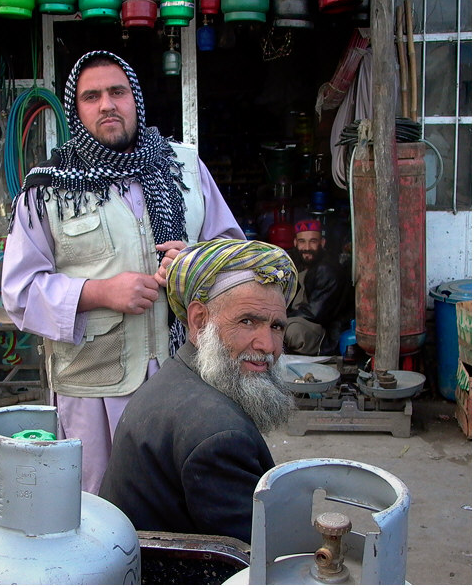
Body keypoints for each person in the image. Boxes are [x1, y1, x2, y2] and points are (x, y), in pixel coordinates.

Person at [1, 50, 243, 494]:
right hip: (94, 387)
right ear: (77, 110)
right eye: (91, 96)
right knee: (98, 507)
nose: (107, 104)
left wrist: (195, 261)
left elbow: (234, 254)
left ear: (136, 100)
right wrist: (98, 292)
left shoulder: (184, 166)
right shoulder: (47, 188)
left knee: (179, 495)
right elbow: (19, 293)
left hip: (186, 374)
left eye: (118, 91)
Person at [99, 239, 298, 544]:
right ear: (199, 320)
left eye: (276, 327)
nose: (268, 346)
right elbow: (262, 557)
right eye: (247, 321)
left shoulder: (179, 375)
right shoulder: (219, 436)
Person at [284, 219, 347, 355]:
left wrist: (281, 318)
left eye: (313, 241)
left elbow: (315, 313)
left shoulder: (327, 269)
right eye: (302, 242)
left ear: (322, 243)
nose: (307, 247)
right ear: (295, 243)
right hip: (299, 318)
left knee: (289, 331)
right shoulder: (295, 263)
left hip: (323, 332)